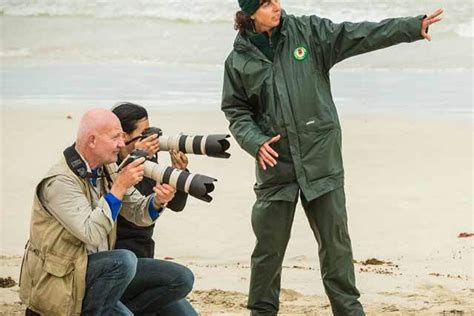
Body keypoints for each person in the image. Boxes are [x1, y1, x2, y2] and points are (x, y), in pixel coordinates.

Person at [221, 1, 443, 315]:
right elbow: (236, 110)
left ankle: (349, 311)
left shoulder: (308, 33)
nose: (276, 6)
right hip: (275, 166)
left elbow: (359, 34)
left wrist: (411, 27)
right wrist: (255, 142)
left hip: (319, 158)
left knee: (336, 248)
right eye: (267, 2)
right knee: (268, 252)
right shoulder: (238, 61)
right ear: (250, 12)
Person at [19, 108, 195, 315]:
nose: (121, 144)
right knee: (124, 260)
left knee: (181, 278)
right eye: (115, 138)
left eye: (122, 136)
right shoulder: (60, 182)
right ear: (92, 141)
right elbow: (91, 233)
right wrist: (119, 187)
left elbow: (140, 214)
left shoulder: (106, 168)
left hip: (102, 274)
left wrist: (158, 201)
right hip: (63, 280)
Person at [112, 101, 197, 315]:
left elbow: (176, 205)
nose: (150, 140)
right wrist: (136, 157)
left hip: (144, 259)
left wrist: (180, 172)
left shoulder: (149, 163)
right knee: (179, 280)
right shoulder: (109, 167)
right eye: (144, 134)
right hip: (118, 262)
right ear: (124, 136)